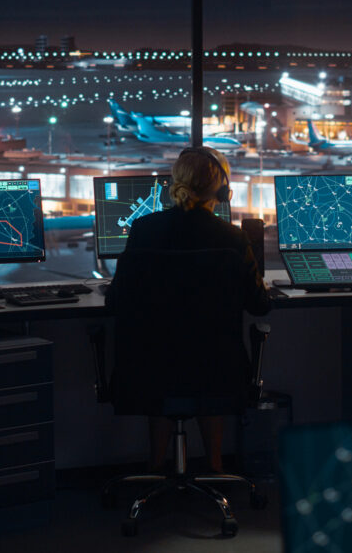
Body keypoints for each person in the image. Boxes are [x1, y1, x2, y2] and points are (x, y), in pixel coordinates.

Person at [109, 146, 270, 474]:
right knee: (208, 367)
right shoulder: (233, 239)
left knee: (165, 370)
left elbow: (115, 301)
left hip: (150, 368)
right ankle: (215, 469)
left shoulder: (143, 231)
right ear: (224, 191)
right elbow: (259, 306)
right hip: (215, 370)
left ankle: (154, 470)